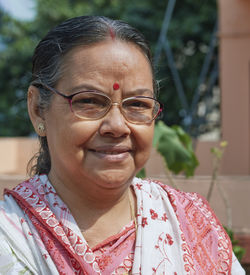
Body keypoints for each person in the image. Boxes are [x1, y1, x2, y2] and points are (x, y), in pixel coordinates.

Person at [0, 15, 245, 274]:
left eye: (137, 104)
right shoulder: (10, 239)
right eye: (90, 101)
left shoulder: (191, 223)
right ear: (38, 109)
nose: (117, 126)